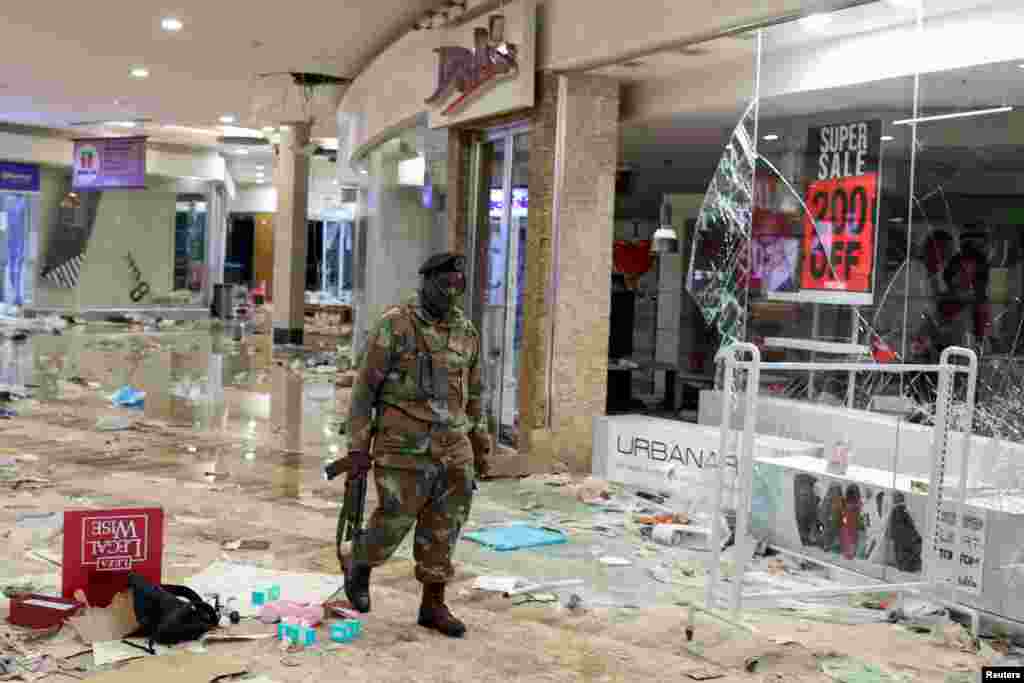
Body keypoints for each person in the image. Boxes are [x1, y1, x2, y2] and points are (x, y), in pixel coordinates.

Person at [341, 252, 491, 638]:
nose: (450, 295)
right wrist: (357, 446)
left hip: (454, 447)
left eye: (456, 288)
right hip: (403, 446)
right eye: (444, 286)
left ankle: (433, 604)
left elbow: (475, 394)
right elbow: (363, 391)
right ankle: (360, 563)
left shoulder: (466, 331)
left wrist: (481, 447)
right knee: (393, 520)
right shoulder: (396, 325)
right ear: (426, 282)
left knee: (445, 527)